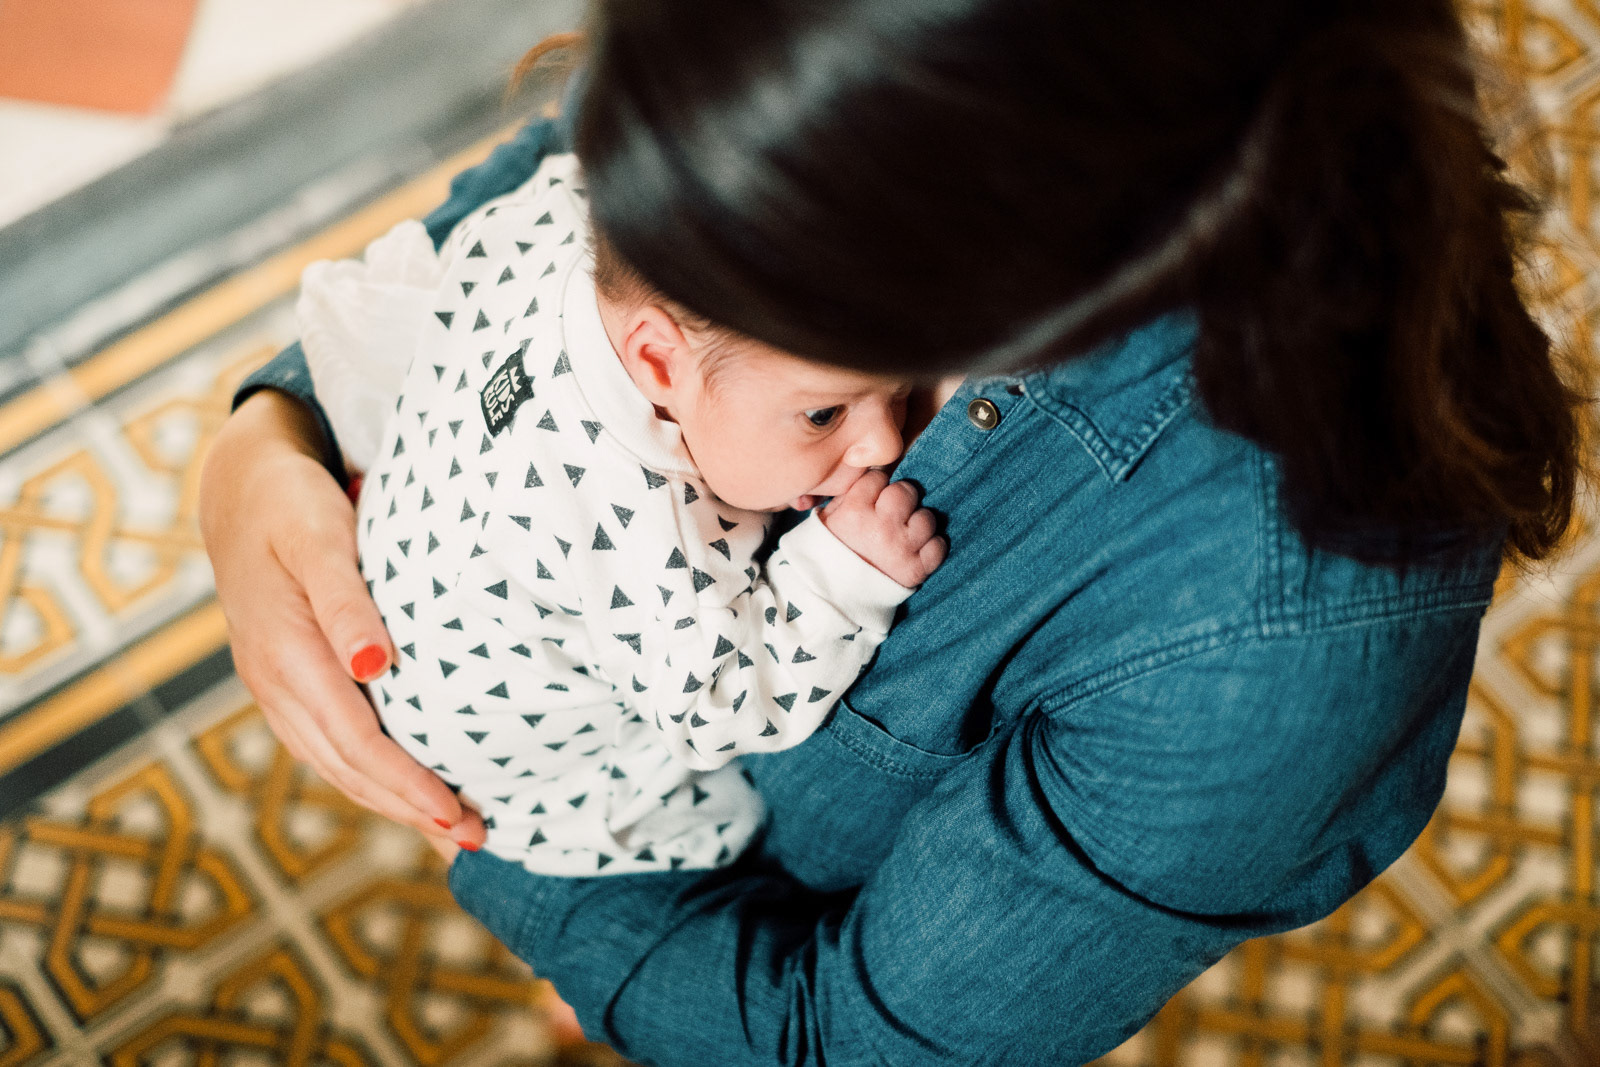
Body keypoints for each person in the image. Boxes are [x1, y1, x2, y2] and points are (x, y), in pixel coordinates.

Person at [199, 0, 1585, 1063]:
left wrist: (533, 879)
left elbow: (837, 1036)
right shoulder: (847, 105)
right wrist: (265, 440)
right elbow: (566, 198)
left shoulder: (1270, 646)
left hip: (672, 873)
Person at [293, 148, 941, 877]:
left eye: (902, 383)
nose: (885, 440)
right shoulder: (640, 519)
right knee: (732, 827)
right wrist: (839, 576)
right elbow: (718, 704)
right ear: (659, 361)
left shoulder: (565, 212)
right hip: (540, 795)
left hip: (402, 571)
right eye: (824, 414)